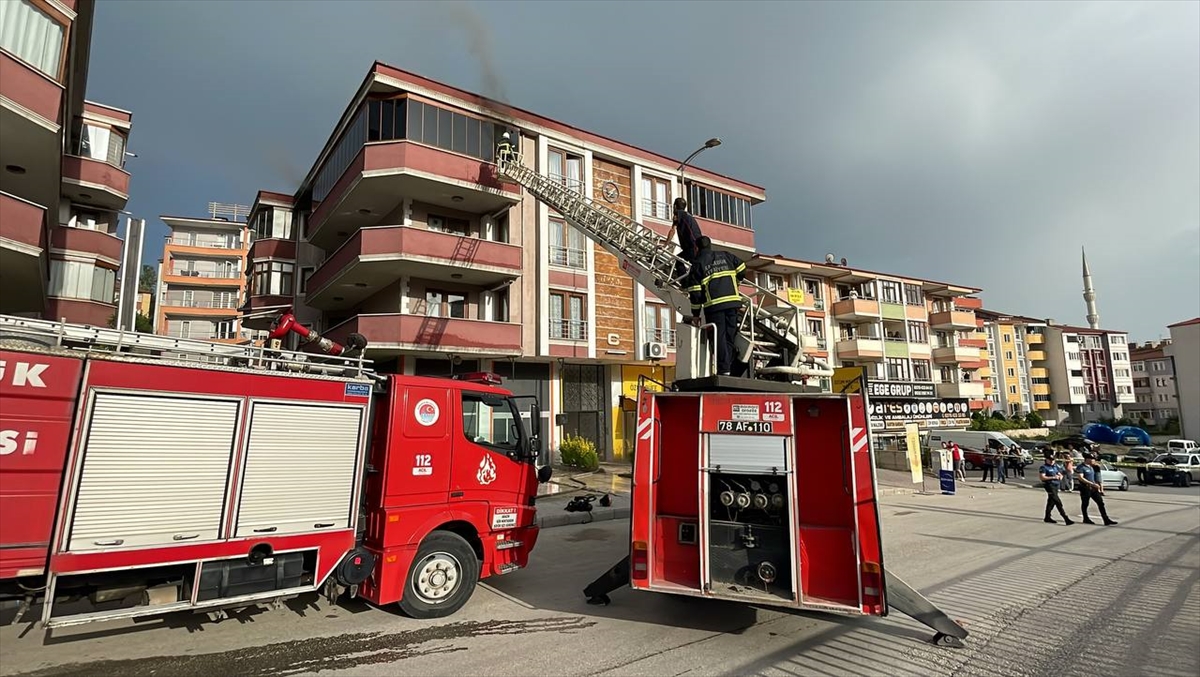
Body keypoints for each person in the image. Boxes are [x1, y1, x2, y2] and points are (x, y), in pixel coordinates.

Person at [685, 236, 747, 377]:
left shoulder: (698, 263)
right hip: (732, 304)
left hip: (714, 306)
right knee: (730, 336)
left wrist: (695, 314)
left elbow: (695, 293)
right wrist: (737, 281)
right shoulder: (725, 255)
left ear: (696, 248)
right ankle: (729, 366)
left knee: (719, 337)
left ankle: (724, 369)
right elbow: (742, 267)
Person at [1076, 453, 1118, 526]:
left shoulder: (1091, 467)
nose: (1093, 460)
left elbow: (1095, 476)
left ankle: (1106, 519)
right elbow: (1080, 477)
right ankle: (1085, 518)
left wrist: (1096, 484)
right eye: (1092, 459)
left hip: (1093, 488)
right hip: (1085, 488)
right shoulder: (1081, 467)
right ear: (1087, 459)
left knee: (1100, 503)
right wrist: (1091, 483)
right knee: (1085, 503)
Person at [1038, 450, 1074, 525]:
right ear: (1046, 460)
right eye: (1050, 460)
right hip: (1050, 485)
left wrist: (1060, 476)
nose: (1051, 461)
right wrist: (1053, 477)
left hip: (1056, 485)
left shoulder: (1055, 466)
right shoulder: (1044, 467)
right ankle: (1065, 518)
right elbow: (1042, 477)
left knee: (1051, 502)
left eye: (1053, 460)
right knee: (1058, 502)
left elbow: (1060, 472)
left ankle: (1047, 517)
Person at [670, 197, 704, 266]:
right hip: (698, 245)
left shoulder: (678, 214)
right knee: (690, 263)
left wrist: (665, 244)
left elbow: (672, 231)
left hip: (693, 246)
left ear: (675, 206)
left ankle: (685, 276)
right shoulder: (688, 215)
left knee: (681, 261)